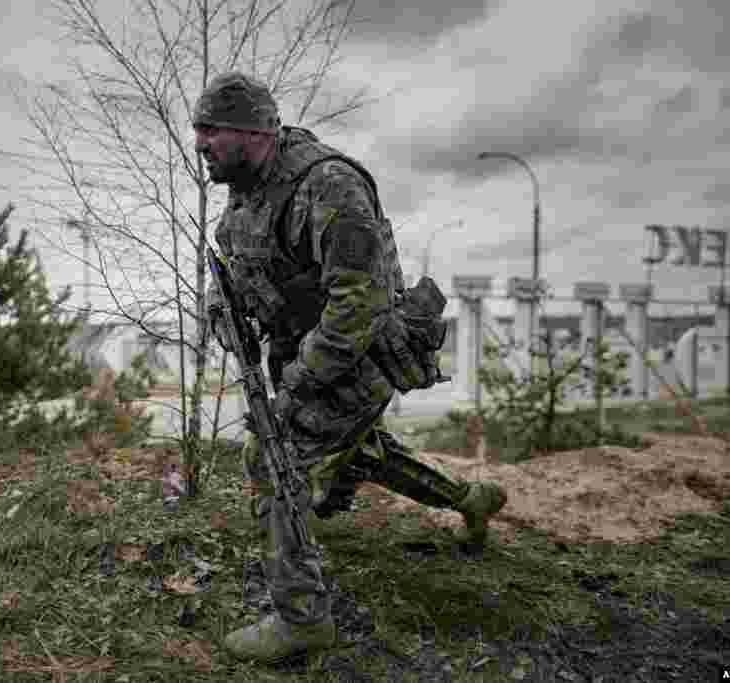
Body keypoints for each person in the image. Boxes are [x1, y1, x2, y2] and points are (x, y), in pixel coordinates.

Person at [195, 72, 508, 664]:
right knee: (361, 451)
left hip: (357, 351)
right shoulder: (246, 188)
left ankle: (300, 618)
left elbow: (359, 303)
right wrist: (220, 306)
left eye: (211, 130)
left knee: (273, 454)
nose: (200, 143)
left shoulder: (328, 184)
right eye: (198, 130)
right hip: (308, 345)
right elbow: (236, 261)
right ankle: (471, 498)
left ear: (255, 131)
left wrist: (297, 383)